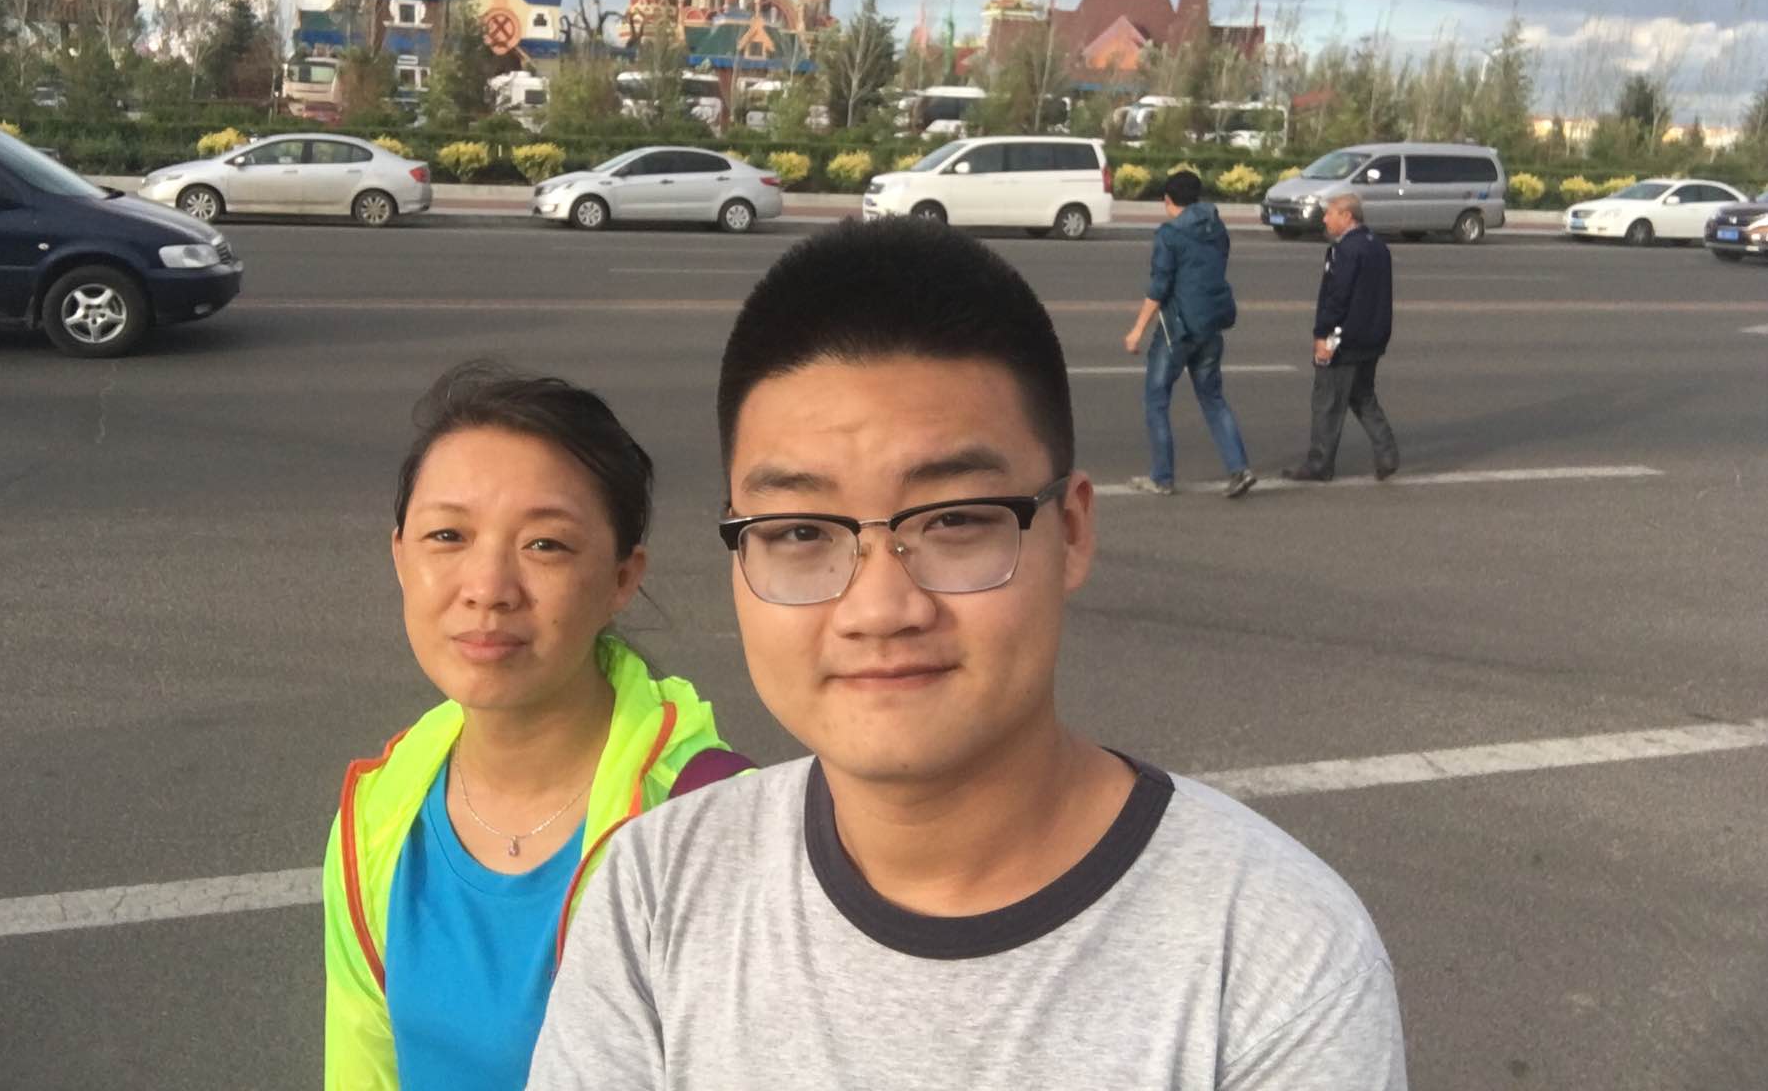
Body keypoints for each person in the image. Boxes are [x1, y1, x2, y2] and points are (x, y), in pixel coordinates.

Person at [528, 219, 1407, 1090]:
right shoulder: (656, 892)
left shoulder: (1269, 956)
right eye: (798, 531)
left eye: (952, 520)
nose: (878, 608)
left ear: (1071, 532)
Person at [323, 362, 750, 1091]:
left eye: (545, 544)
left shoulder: (710, 828)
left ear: (621, 578)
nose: (488, 589)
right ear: (400, 556)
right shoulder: (378, 811)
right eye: (447, 535)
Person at [1123, 168, 1256, 498]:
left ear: (1168, 200)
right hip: (1211, 325)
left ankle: (1162, 477)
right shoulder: (1216, 227)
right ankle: (1239, 468)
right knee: (1212, 398)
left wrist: (1137, 330)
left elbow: (1159, 286)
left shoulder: (1170, 235)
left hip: (1178, 329)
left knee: (1156, 399)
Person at [1284, 193, 1400, 482]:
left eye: (1330, 213)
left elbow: (1337, 296)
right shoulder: (1377, 246)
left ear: (1347, 216)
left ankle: (1319, 463)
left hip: (1343, 338)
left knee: (1327, 402)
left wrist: (1323, 335)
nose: (1325, 219)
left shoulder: (1346, 250)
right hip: (1372, 336)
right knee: (1362, 396)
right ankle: (1387, 453)